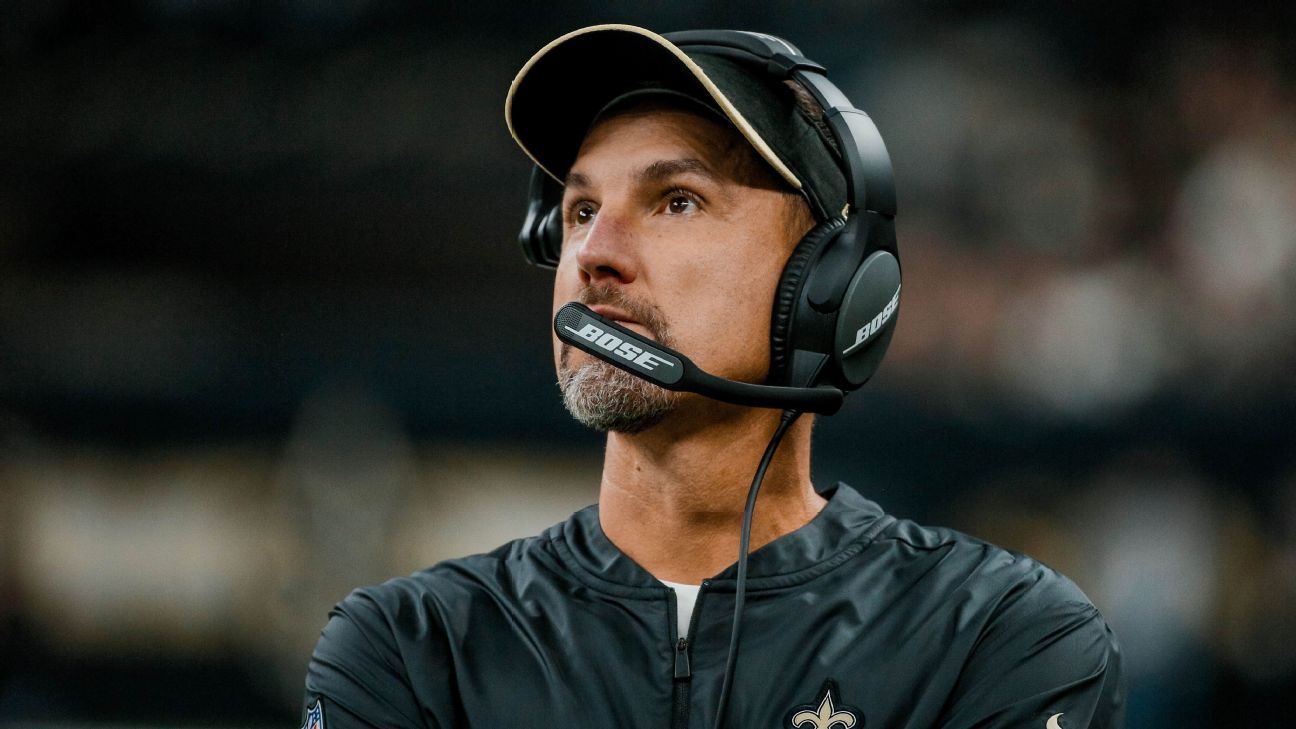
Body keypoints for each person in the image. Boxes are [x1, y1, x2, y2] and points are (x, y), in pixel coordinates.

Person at [302, 24, 1124, 729]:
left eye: (677, 201)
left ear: (830, 285)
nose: (594, 254)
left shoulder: (996, 634)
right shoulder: (411, 649)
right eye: (581, 210)